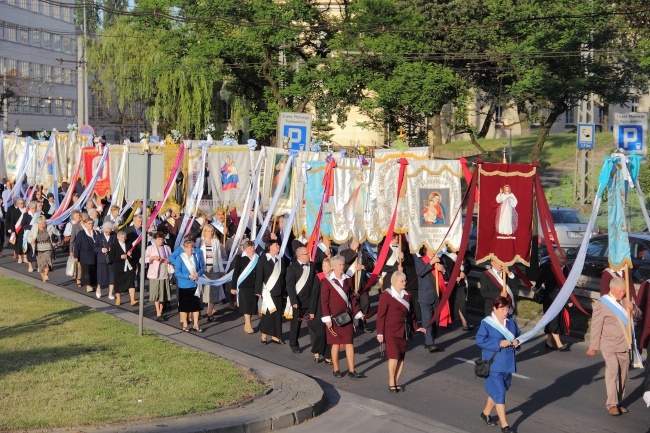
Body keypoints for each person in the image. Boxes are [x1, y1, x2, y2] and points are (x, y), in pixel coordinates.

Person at [587, 277, 642, 416]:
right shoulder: (602, 303)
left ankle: (618, 401)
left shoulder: (627, 300)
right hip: (609, 344)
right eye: (618, 291)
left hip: (625, 344)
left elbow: (639, 317)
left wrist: (633, 309)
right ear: (611, 289)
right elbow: (596, 326)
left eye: (623, 291)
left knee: (623, 374)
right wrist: (593, 346)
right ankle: (611, 404)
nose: (621, 294)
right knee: (613, 371)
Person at [477, 296, 521, 433]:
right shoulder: (487, 323)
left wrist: (517, 342)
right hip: (493, 364)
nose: (505, 311)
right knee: (500, 392)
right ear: (494, 308)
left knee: (499, 390)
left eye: (507, 308)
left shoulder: (511, 323)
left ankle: (485, 414)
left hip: (508, 364)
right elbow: (480, 340)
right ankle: (505, 426)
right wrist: (498, 343)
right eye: (502, 308)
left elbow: (518, 335)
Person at [376, 271, 425, 392]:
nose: (405, 283)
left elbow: (411, 314)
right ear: (394, 282)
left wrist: (416, 327)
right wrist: (380, 333)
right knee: (393, 356)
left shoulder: (408, 294)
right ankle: (391, 381)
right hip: (390, 330)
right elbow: (380, 316)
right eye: (402, 281)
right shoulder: (386, 295)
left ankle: (397, 381)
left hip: (404, 330)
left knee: (401, 356)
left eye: (405, 280)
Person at [321, 255, 364, 378]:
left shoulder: (348, 279)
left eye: (343, 264)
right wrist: (327, 319)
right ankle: (336, 369)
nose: (342, 266)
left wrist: (357, 312)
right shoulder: (327, 281)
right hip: (334, 317)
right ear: (333, 267)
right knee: (335, 344)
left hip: (347, 317)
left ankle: (352, 370)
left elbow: (352, 298)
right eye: (339, 265)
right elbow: (324, 301)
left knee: (349, 343)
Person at [534, 250, 570, 350]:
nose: (564, 260)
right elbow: (540, 278)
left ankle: (549, 341)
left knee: (557, 319)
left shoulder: (567, 269)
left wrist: (569, 299)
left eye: (565, 258)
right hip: (550, 298)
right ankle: (558, 342)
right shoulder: (549, 267)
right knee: (553, 319)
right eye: (561, 258)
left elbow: (569, 285)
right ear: (555, 258)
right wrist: (536, 287)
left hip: (561, 298)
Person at [170, 239, 206, 332]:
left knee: (195, 306)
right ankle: (185, 324)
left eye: (192, 247)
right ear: (185, 248)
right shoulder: (180, 258)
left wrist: (198, 273)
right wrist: (188, 276)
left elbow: (202, 268)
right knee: (184, 306)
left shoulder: (196, 256)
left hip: (195, 284)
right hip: (184, 285)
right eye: (189, 248)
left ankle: (196, 325)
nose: (191, 250)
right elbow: (177, 272)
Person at [255, 239, 286, 344]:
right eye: (276, 245)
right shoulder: (262, 260)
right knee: (268, 314)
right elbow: (259, 276)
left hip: (278, 291)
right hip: (267, 291)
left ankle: (276, 336)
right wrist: (258, 291)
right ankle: (264, 335)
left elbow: (283, 276)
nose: (278, 246)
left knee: (277, 315)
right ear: (270, 247)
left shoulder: (280, 260)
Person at [286, 246, 315, 353]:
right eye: (306, 254)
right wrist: (294, 301)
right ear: (299, 256)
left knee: (312, 324)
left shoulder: (311, 266)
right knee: (296, 325)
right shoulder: (292, 268)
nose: (308, 255)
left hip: (309, 302)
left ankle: (315, 347)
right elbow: (290, 286)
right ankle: (293, 344)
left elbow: (313, 284)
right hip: (298, 302)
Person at [340, 238, 372, 333]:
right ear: (350, 244)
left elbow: (372, 265)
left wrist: (363, 267)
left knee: (365, 302)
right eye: (355, 243)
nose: (358, 245)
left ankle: (363, 322)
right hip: (349, 284)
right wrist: (353, 250)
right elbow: (347, 260)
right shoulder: (344, 252)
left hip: (361, 285)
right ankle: (349, 324)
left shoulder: (364, 254)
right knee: (349, 305)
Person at [414, 246, 442, 352]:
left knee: (435, 320)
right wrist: (431, 263)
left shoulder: (440, 259)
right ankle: (430, 343)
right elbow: (420, 272)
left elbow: (447, 274)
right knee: (427, 320)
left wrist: (443, 269)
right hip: (425, 294)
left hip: (437, 294)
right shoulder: (420, 260)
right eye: (431, 248)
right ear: (427, 249)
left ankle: (429, 340)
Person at [440, 246, 474, 331]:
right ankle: (446, 321)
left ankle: (465, 324)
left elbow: (468, 265)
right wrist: (453, 277)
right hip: (449, 283)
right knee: (450, 303)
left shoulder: (461, 254)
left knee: (462, 302)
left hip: (461, 283)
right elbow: (445, 271)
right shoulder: (444, 256)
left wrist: (464, 272)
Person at [196, 224, 225, 322]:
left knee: (213, 291)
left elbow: (219, 256)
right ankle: (198, 311)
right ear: (204, 232)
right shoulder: (199, 241)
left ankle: (209, 313)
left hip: (214, 269)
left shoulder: (216, 242)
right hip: (202, 269)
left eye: (212, 231)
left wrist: (221, 269)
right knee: (201, 290)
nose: (211, 233)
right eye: (208, 231)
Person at [231, 240, 259, 334]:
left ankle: (247, 323)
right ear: (245, 248)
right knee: (246, 304)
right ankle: (248, 324)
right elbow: (236, 273)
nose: (252, 249)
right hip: (244, 285)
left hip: (254, 285)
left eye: (253, 247)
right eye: (250, 247)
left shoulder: (257, 258)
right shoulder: (240, 258)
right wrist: (233, 287)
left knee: (251, 305)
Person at [309, 257, 332, 364]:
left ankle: (328, 355)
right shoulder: (319, 277)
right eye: (323, 265)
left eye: (326, 266)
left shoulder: (334, 278)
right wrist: (312, 311)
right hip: (319, 309)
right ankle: (317, 352)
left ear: (331, 267)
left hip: (331, 309)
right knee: (320, 333)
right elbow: (314, 295)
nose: (323, 267)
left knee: (329, 333)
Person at [145, 232, 172, 321]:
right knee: (156, 294)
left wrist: (166, 260)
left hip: (164, 274)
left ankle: (160, 312)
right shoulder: (150, 248)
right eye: (159, 239)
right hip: (155, 275)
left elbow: (171, 259)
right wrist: (152, 258)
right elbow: (142, 259)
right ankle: (158, 313)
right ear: (155, 239)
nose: (161, 241)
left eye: (162, 239)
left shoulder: (166, 248)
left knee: (163, 295)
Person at [108, 231, 137, 307]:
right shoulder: (114, 246)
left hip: (129, 267)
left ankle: (132, 299)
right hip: (118, 268)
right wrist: (120, 257)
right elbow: (110, 258)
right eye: (122, 237)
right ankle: (118, 299)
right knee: (118, 284)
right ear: (118, 238)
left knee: (131, 282)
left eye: (125, 237)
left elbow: (134, 254)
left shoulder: (129, 243)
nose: (124, 239)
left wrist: (131, 255)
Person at [26, 215, 59, 282]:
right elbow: (29, 237)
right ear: (38, 223)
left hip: (47, 247)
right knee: (40, 264)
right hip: (38, 248)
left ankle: (46, 275)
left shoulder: (50, 227)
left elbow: (58, 234)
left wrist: (55, 242)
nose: (42, 225)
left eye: (43, 224)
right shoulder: (35, 228)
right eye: (40, 224)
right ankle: (44, 278)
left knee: (46, 261)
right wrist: (31, 240)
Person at [74, 218, 98, 293]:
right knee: (86, 271)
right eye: (89, 223)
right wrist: (76, 256)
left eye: (92, 224)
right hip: (84, 256)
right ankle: (88, 285)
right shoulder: (81, 233)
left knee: (93, 270)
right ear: (85, 224)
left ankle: (92, 284)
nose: (91, 225)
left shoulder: (95, 233)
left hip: (94, 255)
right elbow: (77, 245)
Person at [94, 222, 116, 299]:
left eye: (109, 231)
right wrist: (102, 249)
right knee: (101, 275)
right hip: (101, 259)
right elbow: (95, 248)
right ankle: (99, 288)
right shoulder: (99, 236)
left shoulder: (114, 235)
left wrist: (111, 249)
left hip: (111, 259)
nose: (108, 233)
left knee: (112, 276)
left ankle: (110, 293)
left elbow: (116, 245)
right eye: (106, 232)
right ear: (103, 230)